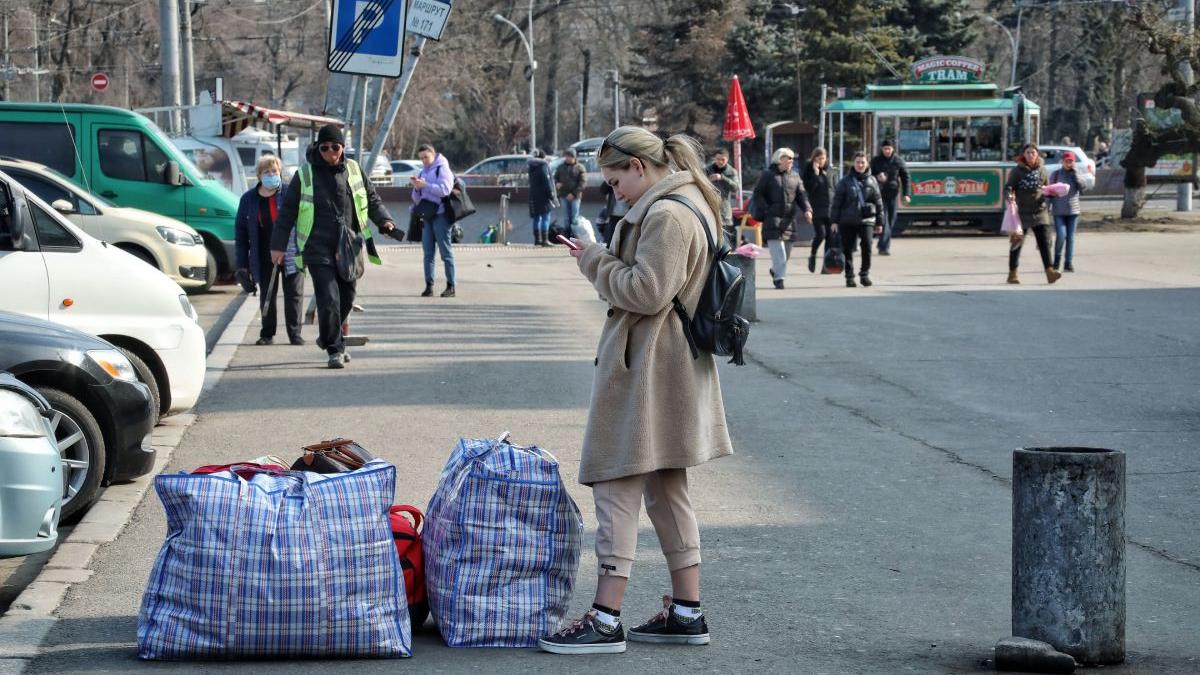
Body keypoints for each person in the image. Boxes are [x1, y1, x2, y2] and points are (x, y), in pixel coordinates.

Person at [538, 126, 732, 656]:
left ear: (641, 168)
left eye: (616, 177)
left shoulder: (667, 214)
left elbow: (646, 292)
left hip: (650, 365)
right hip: (670, 365)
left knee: (616, 483)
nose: (614, 189)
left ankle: (604, 619)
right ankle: (687, 612)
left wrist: (593, 260)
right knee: (666, 488)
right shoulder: (688, 202)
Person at [271, 124, 398, 369]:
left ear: (342, 148)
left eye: (335, 147)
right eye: (325, 147)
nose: (330, 151)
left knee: (347, 297)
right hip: (316, 246)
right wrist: (277, 246)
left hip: (348, 246)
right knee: (328, 298)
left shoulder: (353, 169)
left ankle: (329, 335)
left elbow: (371, 199)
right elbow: (287, 212)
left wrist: (385, 221)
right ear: (318, 148)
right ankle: (334, 349)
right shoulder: (305, 174)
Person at [236, 155, 304, 346]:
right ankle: (267, 333)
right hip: (263, 254)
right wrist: (241, 264)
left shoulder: (290, 193)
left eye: (274, 171)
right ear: (259, 175)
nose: (272, 174)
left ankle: (295, 333)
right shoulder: (249, 199)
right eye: (267, 171)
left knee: (294, 294)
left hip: (291, 252)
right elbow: (241, 233)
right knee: (267, 293)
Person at [751, 147, 811, 289]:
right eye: (788, 157)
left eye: (792, 158)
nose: (791, 160)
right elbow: (758, 194)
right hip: (772, 219)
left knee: (787, 252)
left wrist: (807, 209)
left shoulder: (795, 176)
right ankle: (779, 279)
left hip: (789, 220)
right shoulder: (768, 175)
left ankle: (775, 270)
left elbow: (802, 196)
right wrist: (766, 210)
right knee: (779, 253)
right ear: (779, 159)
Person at [1005, 143, 1061, 285]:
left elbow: (1046, 187)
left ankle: (1050, 272)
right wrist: (1009, 195)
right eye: (1028, 152)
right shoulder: (1017, 171)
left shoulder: (1042, 170)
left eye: (1033, 152)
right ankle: (1012, 273)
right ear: (1024, 155)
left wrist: (1053, 193)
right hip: (1022, 212)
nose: (1031, 155)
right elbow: (1008, 187)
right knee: (1016, 243)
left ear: (1037, 155)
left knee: (1044, 242)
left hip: (1040, 211)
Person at [830, 151, 885, 288]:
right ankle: (849, 276)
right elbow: (837, 203)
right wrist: (834, 221)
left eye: (863, 162)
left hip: (866, 220)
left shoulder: (872, 181)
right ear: (853, 164)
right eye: (857, 162)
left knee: (867, 246)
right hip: (847, 221)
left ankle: (864, 274)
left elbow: (879, 202)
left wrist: (880, 222)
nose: (860, 165)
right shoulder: (845, 181)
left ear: (867, 164)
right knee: (848, 249)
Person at [411, 143, 457, 295]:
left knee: (445, 252)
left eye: (426, 157)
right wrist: (417, 188)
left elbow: (445, 190)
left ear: (433, 155)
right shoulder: (423, 171)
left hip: (441, 215)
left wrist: (426, 185)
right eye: (421, 158)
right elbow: (417, 198)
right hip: (427, 215)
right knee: (428, 253)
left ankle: (451, 286)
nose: (424, 160)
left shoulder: (442, 168)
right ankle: (429, 286)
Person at [869, 139, 911, 256]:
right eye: (885, 149)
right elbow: (868, 175)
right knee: (885, 220)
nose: (887, 151)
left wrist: (906, 194)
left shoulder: (898, 161)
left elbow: (906, 177)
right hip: (879, 195)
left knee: (892, 219)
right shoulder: (876, 161)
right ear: (881, 149)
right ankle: (884, 247)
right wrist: (877, 177)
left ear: (893, 149)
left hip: (893, 194)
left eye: (889, 148)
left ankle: (882, 242)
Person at [1049, 150, 1088, 272]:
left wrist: (1076, 174)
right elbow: (1049, 192)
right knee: (1061, 235)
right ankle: (1056, 261)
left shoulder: (1077, 174)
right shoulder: (1055, 175)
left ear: (1074, 162)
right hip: (1058, 211)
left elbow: (1083, 189)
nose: (1068, 163)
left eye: (1071, 161)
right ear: (1062, 161)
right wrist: (1046, 206)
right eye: (1066, 161)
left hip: (1073, 211)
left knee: (1070, 238)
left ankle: (1068, 263)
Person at [801, 147, 835, 273]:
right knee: (821, 235)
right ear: (813, 158)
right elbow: (809, 189)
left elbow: (833, 189)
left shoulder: (829, 171)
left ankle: (826, 265)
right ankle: (813, 255)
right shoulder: (809, 171)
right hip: (816, 208)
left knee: (830, 238)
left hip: (830, 209)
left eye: (823, 158)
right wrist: (815, 174)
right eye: (818, 158)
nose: (821, 161)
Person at [705, 150, 739, 242]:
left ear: (727, 159)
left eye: (722, 159)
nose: (720, 161)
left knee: (724, 237)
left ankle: (724, 254)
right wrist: (708, 180)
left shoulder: (731, 171)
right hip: (708, 205)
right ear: (714, 159)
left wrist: (722, 178)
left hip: (724, 208)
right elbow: (699, 183)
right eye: (718, 159)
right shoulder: (707, 169)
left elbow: (736, 187)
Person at [528, 149, 558, 246]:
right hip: (544, 196)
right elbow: (547, 182)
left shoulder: (531, 166)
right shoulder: (543, 166)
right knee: (545, 217)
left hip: (533, 195)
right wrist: (551, 195)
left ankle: (537, 240)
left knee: (536, 218)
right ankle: (545, 240)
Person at [554, 148, 587, 237]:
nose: (568, 158)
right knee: (566, 217)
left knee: (574, 217)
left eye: (570, 156)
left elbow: (582, 182)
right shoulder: (561, 167)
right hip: (563, 195)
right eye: (566, 156)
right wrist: (557, 183)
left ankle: (575, 235)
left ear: (574, 157)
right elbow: (555, 178)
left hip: (575, 196)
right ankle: (568, 235)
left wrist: (573, 194)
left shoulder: (580, 167)